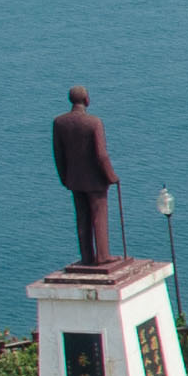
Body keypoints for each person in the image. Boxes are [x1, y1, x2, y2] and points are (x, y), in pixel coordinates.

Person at [51, 87, 120, 266]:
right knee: (99, 215)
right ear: (86, 100)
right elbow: (101, 155)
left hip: (74, 179)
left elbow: (58, 154)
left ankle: (87, 257)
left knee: (82, 217)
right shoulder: (93, 123)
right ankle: (103, 255)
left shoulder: (59, 122)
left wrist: (64, 178)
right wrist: (112, 176)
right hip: (95, 180)